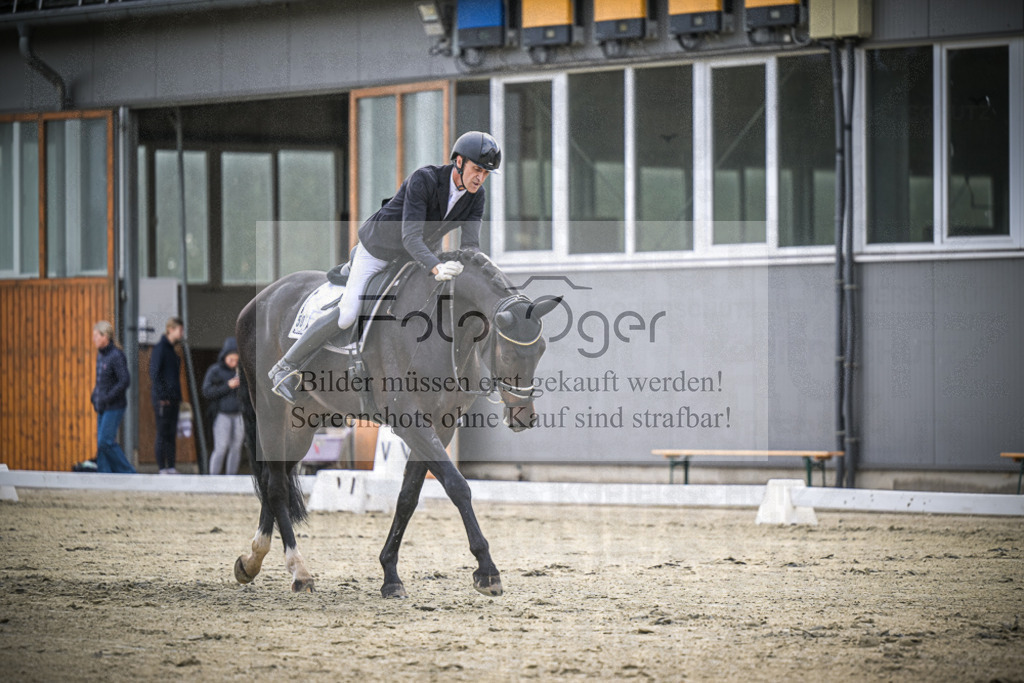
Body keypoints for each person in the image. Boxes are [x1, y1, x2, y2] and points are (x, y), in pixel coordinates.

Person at [268, 130, 501, 402]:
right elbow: (410, 237)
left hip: (416, 256)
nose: (479, 178)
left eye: (485, 174)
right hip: (379, 250)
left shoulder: (476, 196)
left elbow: (471, 247)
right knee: (348, 313)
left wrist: (476, 270)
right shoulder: (424, 180)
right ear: (458, 162)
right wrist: (437, 267)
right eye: (477, 170)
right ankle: (285, 366)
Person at [90, 321, 136, 474]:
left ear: (106, 337)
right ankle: (104, 475)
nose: (94, 339)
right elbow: (101, 381)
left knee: (106, 441)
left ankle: (128, 472)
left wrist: (107, 397)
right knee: (101, 444)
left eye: (97, 336)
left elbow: (124, 380)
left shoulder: (116, 356)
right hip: (102, 406)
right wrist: (95, 395)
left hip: (114, 406)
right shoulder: (101, 356)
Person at [203, 337, 244, 475]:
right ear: (225, 356)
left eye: (236, 360)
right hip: (222, 414)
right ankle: (214, 477)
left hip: (239, 414)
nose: (233, 363)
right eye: (231, 360)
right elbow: (207, 391)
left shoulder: (242, 370)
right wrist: (228, 386)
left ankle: (231, 477)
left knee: (236, 447)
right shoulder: (215, 370)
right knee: (221, 447)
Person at [150, 317, 184, 474]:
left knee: (171, 433)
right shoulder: (160, 349)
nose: (181, 333)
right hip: (163, 400)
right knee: (162, 433)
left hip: (173, 399)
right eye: (179, 330)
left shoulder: (173, 351)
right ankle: (162, 467)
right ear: (171, 329)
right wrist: (161, 396)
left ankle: (171, 466)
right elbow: (155, 374)